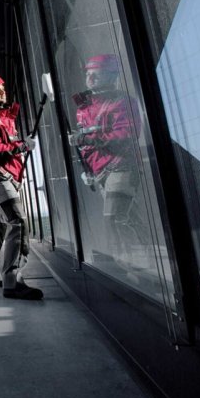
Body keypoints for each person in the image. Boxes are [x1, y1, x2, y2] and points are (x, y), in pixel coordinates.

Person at [0, 74, 43, 300]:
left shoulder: (4, 119)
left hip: (9, 178)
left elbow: (9, 143)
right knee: (18, 221)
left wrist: (20, 145)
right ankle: (12, 281)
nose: (2, 92)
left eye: (2, 87)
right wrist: (22, 146)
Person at [69, 54, 145, 262]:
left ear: (111, 76)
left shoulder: (123, 103)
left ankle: (132, 263)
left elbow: (126, 135)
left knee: (114, 219)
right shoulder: (83, 108)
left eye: (97, 74)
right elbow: (83, 145)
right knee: (128, 217)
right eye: (88, 74)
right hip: (99, 171)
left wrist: (87, 139)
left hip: (121, 166)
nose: (91, 79)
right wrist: (86, 170)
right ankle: (142, 257)